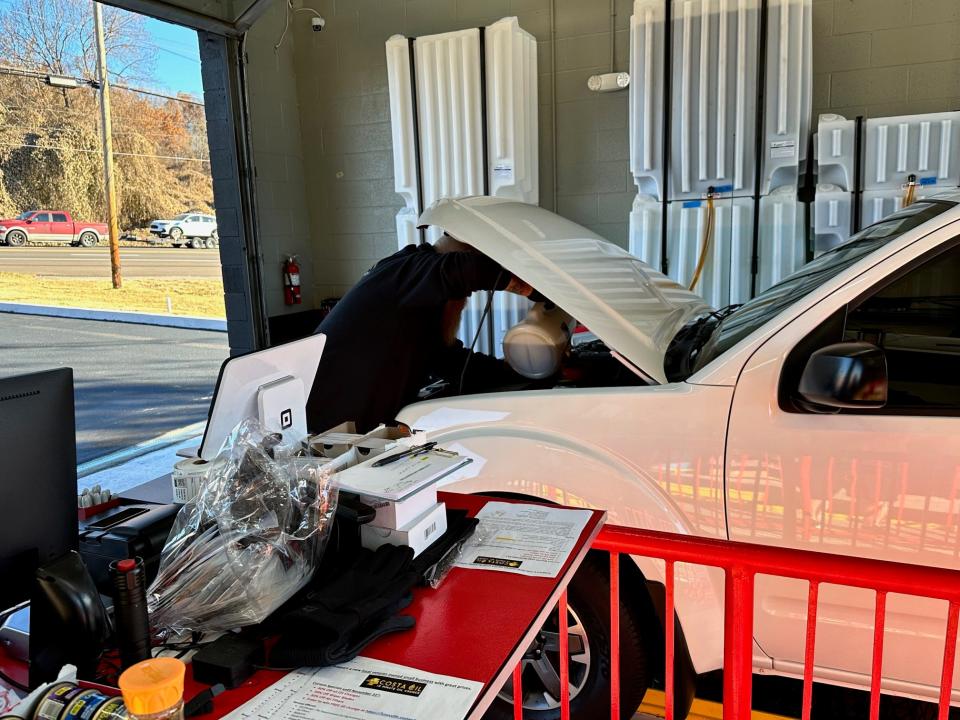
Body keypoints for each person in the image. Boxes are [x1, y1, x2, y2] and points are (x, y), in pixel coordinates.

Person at [306, 234, 535, 433]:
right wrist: (530, 288)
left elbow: (451, 361)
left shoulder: (416, 296)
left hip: (352, 421)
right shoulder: (411, 268)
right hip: (326, 423)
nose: (463, 302)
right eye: (463, 294)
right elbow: (470, 270)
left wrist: (517, 371)